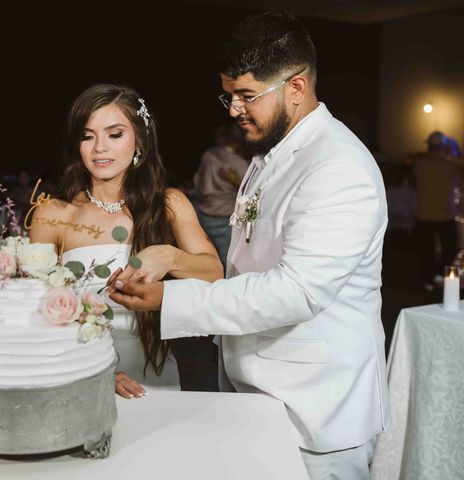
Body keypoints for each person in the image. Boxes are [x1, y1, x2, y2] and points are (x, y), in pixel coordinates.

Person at [108, 11, 390, 479]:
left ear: (296, 88)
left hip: (315, 412)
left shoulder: (339, 168)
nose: (233, 109)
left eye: (246, 96)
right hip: (257, 393)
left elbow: (296, 292)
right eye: (229, 95)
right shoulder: (271, 152)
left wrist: (170, 298)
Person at [30, 84, 222, 398]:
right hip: (77, 374)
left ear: (139, 142)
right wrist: (93, 368)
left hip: (157, 377)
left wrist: (169, 256)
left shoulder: (169, 205)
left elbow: (215, 272)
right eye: (87, 135)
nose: (99, 148)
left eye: (114, 134)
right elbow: (31, 310)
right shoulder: (54, 214)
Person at [193, 122, 249, 267]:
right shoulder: (240, 164)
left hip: (203, 215)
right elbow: (252, 194)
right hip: (223, 219)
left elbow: (197, 180)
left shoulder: (209, 154)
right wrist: (235, 181)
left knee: (203, 256)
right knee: (228, 260)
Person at [413, 131, 464, 290]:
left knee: (426, 250)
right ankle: (440, 276)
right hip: (443, 214)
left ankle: (430, 278)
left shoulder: (421, 163)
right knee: (448, 248)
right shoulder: (450, 164)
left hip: (425, 215)